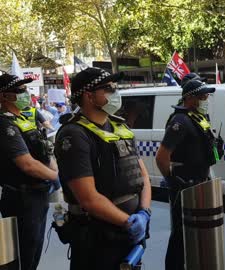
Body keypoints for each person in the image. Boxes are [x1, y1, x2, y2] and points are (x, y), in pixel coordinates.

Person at [54, 67, 152, 270]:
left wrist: (144, 213)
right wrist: (129, 222)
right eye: (109, 88)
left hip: (130, 233)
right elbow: (88, 198)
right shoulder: (74, 135)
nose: (115, 93)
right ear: (89, 96)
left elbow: (142, 174)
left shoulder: (121, 127)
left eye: (115, 87)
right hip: (97, 238)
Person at [155, 78, 222, 270]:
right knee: (180, 234)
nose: (206, 99)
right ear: (190, 98)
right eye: (203, 96)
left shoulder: (199, 117)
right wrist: (173, 181)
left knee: (199, 232)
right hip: (185, 183)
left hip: (202, 180)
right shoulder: (180, 120)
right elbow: (162, 157)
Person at [0, 74, 59, 270]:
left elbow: (43, 152)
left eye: (25, 89)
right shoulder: (4, 124)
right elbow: (27, 164)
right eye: (19, 91)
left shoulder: (25, 120)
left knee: (34, 251)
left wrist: (51, 171)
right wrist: (57, 177)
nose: (25, 94)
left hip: (38, 195)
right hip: (22, 198)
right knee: (23, 255)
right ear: (4, 96)